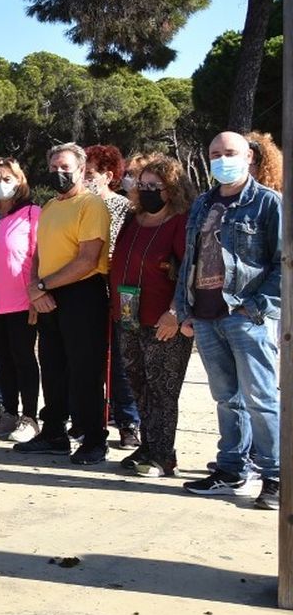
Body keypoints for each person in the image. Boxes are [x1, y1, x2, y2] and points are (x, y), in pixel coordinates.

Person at [174, 132, 281, 508]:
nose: (222, 160)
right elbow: (190, 260)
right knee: (226, 399)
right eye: (215, 154)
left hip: (246, 317)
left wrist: (255, 308)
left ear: (249, 157)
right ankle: (233, 469)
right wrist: (183, 310)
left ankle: (275, 476)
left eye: (230, 153)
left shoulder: (269, 203)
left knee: (261, 400)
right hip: (205, 316)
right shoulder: (203, 203)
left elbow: (284, 265)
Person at [13, 144, 112, 464]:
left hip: (83, 294)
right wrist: (35, 289)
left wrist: (42, 286)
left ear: (81, 170)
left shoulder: (91, 205)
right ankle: (54, 432)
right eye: (54, 166)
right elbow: (39, 253)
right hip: (49, 295)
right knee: (52, 367)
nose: (59, 172)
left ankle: (94, 438)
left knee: (85, 369)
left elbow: (87, 260)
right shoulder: (51, 207)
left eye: (66, 167)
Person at [111, 157, 193, 478]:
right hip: (128, 316)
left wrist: (175, 312)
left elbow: (189, 271)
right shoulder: (134, 219)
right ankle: (147, 445)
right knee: (139, 385)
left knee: (162, 389)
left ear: (170, 189)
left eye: (153, 186)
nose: (145, 191)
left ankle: (162, 456)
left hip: (163, 321)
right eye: (141, 184)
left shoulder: (180, 222)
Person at [0, 158, 41, 443]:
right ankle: (10, 414)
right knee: (2, 360)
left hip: (22, 302)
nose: (1, 184)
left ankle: (30, 417)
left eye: (7, 178)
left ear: (20, 181)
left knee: (23, 358)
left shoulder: (32, 213)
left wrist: (37, 294)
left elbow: (40, 255)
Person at [85, 143, 140, 447]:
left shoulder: (124, 207)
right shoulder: (77, 205)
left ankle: (129, 420)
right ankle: (93, 416)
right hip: (88, 288)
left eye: (90, 172)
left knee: (123, 357)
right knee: (91, 356)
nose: (85, 177)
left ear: (107, 175)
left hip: (123, 290)